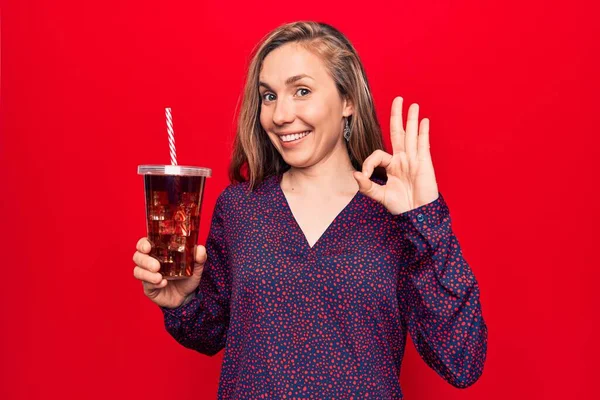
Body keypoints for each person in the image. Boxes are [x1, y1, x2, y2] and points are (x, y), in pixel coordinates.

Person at [132, 21, 487, 399]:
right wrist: (183, 300)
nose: (280, 115)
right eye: (269, 96)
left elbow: (461, 361)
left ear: (347, 100)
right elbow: (210, 334)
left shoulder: (397, 215)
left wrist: (424, 219)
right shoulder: (240, 209)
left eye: (301, 91)